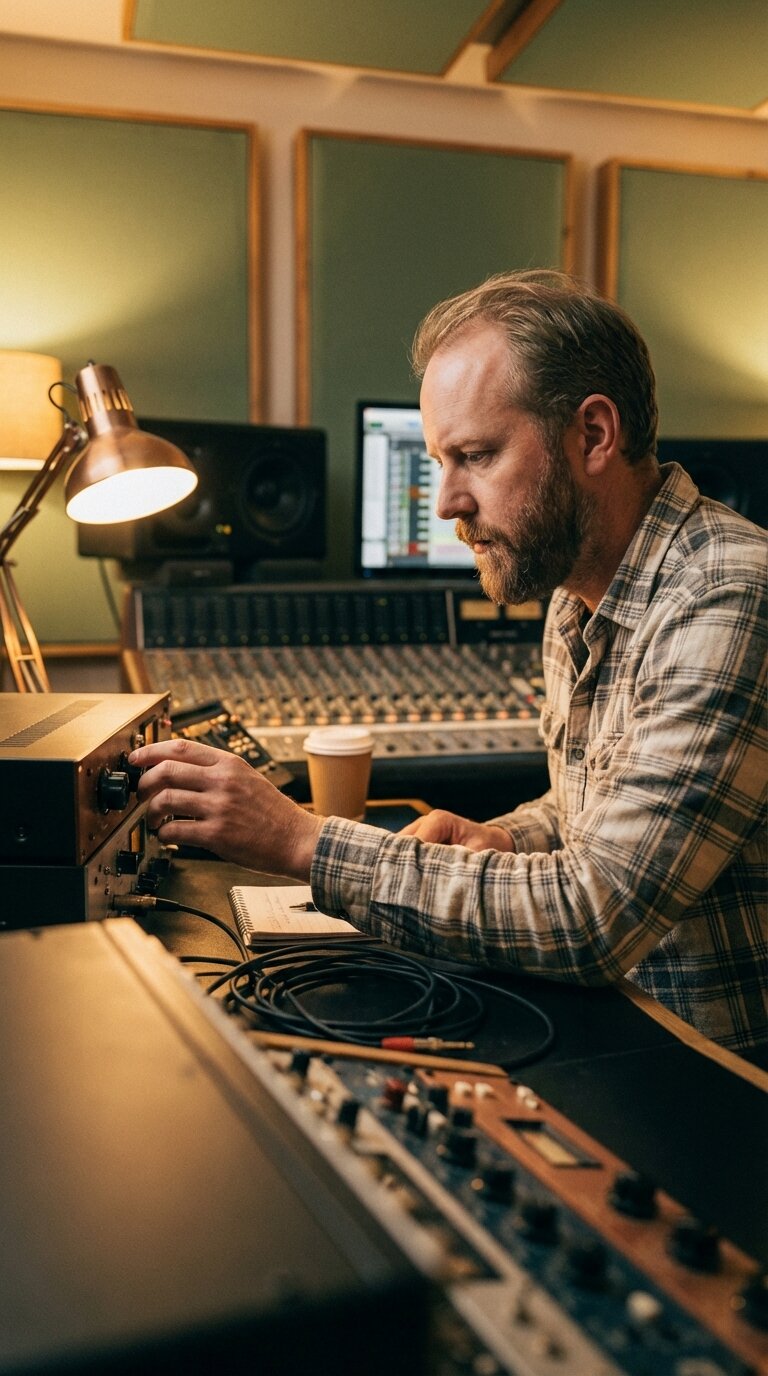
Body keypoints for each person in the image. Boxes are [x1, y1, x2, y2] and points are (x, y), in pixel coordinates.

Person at [132, 270, 767, 1054]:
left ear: (594, 435)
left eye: (476, 455)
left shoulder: (728, 594)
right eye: (441, 461)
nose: (446, 504)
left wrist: (301, 840)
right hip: (620, 1029)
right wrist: (509, 838)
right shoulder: (575, 591)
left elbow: (595, 915)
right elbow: (593, 813)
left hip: (713, 1077)